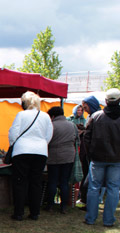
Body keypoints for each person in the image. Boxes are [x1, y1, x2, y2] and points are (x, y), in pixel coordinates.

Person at [8, 91, 53, 221]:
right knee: (36, 182)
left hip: (22, 150)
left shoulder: (21, 115)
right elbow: (48, 135)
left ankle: (19, 212)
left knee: (20, 182)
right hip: (40, 151)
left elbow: (13, 133)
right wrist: (41, 144)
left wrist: (14, 144)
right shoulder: (45, 116)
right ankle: (35, 212)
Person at [83, 88, 120, 227]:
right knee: (113, 189)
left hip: (98, 158)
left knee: (94, 188)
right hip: (116, 159)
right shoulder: (97, 116)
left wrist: (90, 154)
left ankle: (90, 218)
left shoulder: (96, 116)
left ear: (105, 101)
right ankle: (108, 220)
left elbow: (87, 137)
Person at [45, 107, 78, 213]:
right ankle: (63, 206)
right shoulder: (72, 125)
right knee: (64, 181)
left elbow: (47, 140)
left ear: (53, 116)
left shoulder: (51, 126)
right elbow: (76, 139)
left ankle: (50, 205)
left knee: (53, 181)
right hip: (69, 156)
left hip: (54, 155)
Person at [79, 96, 102, 204]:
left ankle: (90, 202)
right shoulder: (92, 116)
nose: (83, 108)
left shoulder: (96, 116)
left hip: (94, 153)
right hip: (95, 152)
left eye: (85, 105)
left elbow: (91, 136)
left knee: (93, 180)